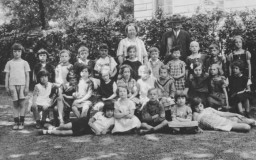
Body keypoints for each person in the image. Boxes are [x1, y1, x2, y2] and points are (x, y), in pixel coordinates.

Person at [39, 100, 115, 136]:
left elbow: (108, 129)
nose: (110, 113)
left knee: (64, 133)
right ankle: (52, 128)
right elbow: (90, 122)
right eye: (108, 110)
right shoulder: (99, 114)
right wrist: (97, 130)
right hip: (84, 122)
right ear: (105, 110)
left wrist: (106, 131)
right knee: (64, 126)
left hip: (87, 130)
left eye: (112, 111)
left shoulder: (112, 120)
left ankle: (46, 132)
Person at [4, 43, 31, 130]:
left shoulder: (25, 63)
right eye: (15, 51)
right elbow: (7, 76)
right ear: (12, 52)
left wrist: (27, 87)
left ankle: (22, 122)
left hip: (22, 85)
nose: (17, 53)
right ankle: (16, 122)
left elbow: (27, 75)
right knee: (15, 104)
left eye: (19, 51)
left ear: (21, 52)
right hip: (12, 85)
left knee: (22, 104)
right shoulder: (9, 63)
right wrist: (7, 86)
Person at [192, 97, 256, 132]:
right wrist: (198, 128)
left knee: (251, 121)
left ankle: (252, 122)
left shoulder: (209, 109)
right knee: (247, 127)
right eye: (196, 107)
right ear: (193, 108)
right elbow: (195, 124)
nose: (199, 108)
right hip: (224, 124)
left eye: (200, 106)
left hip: (227, 118)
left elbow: (222, 113)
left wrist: (235, 114)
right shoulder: (195, 114)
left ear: (203, 105)